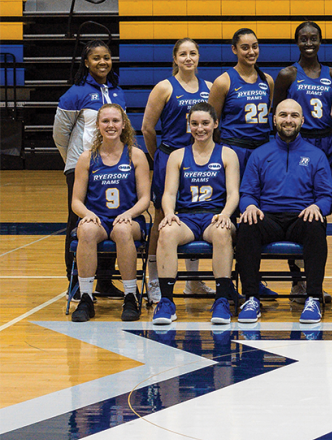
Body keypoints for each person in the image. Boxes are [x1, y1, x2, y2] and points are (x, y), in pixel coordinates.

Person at [234, 99, 332, 324]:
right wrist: (249, 206)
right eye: (283, 115)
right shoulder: (259, 154)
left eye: (294, 115)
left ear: (302, 120)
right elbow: (247, 192)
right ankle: (251, 297)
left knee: (316, 225)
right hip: (267, 216)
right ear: (274, 119)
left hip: (302, 217)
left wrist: (317, 207)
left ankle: (313, 298)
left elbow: (327, 196)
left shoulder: (316, 155)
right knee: (247, 225)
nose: (288, 120)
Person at [152, 102, 240, 325]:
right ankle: (166, 302)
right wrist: (169, 213)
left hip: (214, 216)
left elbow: (233, 193)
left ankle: (221, 300)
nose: (200, 128)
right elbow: (169, 193)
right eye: (195, 124)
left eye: (205, 123)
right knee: (167, 232)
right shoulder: (178, 156)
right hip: (187, 218)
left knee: (222, 233)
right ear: (188, 125)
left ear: (215, 124)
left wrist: (226, 214)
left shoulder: (227, 154)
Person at [141, 38, 213, 300]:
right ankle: (153, 279)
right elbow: (148, 128)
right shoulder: (164, 87)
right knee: (162, 217)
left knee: (194, 213)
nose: (188, 58)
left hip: (199, 160)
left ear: (198, 57)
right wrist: (159, 156)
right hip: (170, 157)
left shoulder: (210, 87)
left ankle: (192, 281)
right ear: (175, 58)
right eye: (183, 54)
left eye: (193, 53)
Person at [53, 40, 126, 300]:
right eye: (96, 58)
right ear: (86, 62)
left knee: (110, 218)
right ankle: (74, 282)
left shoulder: (117, 92)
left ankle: (105, 281)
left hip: (114, 167)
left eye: (106, 57)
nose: (102, 62)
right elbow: (60, 134)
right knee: (79, 223)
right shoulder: (75, 93)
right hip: (83, 168)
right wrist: (76, 162)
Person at [69, 104, 151, 322]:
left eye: (115, 121)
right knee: (85, 230)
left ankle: (130, 296)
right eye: (105, 121)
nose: (111, 125)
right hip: (99, 220)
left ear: (123, 124)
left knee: (123, 231)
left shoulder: (136, 155)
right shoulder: (87, 157)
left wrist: (130, 213)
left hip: (128, 219)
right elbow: (76, 201)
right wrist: (86, 213)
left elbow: (145, 198)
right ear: (98, 125)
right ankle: (86, 297)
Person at [273, 21, 332, 171]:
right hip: (298, 138)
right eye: (303, 39)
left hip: (326, 139)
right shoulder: (287, 74)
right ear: (297, 42)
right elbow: (275, 113)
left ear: (320, 41)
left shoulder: (331, 74)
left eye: (313, 38)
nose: (308, 43)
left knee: (327, 186)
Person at [208, 28, 274, 174]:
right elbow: (211, 123)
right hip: (234, 149)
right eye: (245, 48)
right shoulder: (223, 82)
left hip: (262, 148)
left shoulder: (268, 80)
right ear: (234, 49)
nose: (251, 52)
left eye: (255, 46)